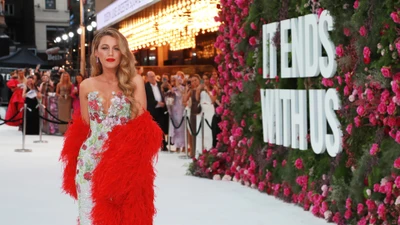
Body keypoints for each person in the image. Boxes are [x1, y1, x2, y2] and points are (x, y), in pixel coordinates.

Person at [60, 27, 162, 225]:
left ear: (122, 52)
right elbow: (86, 125)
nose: (110, 53)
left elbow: (140, 127)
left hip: (123, 159)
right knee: (89, 216)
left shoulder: (134, 82)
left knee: (123, 217)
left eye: (116, 48)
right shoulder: (86, 85)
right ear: (96, 52)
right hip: (90, 160)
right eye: (105, 48)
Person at [145, 70, 169, 151]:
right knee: (152, 128)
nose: (153, 78)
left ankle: (163, 145)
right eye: (151, 77)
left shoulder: (159, 85)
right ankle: (152, 145)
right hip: (152, 109)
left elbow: (165, 93)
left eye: (153, 76)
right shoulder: (146, 87)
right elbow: (148, 98)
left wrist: (164, 102)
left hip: (161, 109)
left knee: (161, 127)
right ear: (147, 78)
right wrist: (157, 102)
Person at [195, 73, 215, 154]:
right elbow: (197, 99)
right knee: (200, 130)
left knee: (208, 131)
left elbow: (213, 100)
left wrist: (207, 91)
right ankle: (200, 150)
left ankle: (209, 149)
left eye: (207, 79)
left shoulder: (214, 88)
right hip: (201, 110)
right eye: (204, 79)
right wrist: (198, 90)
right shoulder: (201, 88)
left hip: (209, 109)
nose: (205, 81)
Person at [167, 73, 186, 153]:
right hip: (174, 109)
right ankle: (177, 145)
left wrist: (176, 88)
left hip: (181, 109)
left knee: (182, 127)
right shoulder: (173, 89)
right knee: (176, 128)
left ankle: (184, 145)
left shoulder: (183, 88)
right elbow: (169, 98)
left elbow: (182, 95)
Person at [183, 74, 201, 157]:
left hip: (201, 111)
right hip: (193, 112)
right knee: (193, 131)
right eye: (192, 81)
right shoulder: (192, 90)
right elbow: (184, 100)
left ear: (199, 80)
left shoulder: (202, 89)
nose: (194, 82)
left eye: (195, 80)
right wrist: (187, 90)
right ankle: (193, 152)